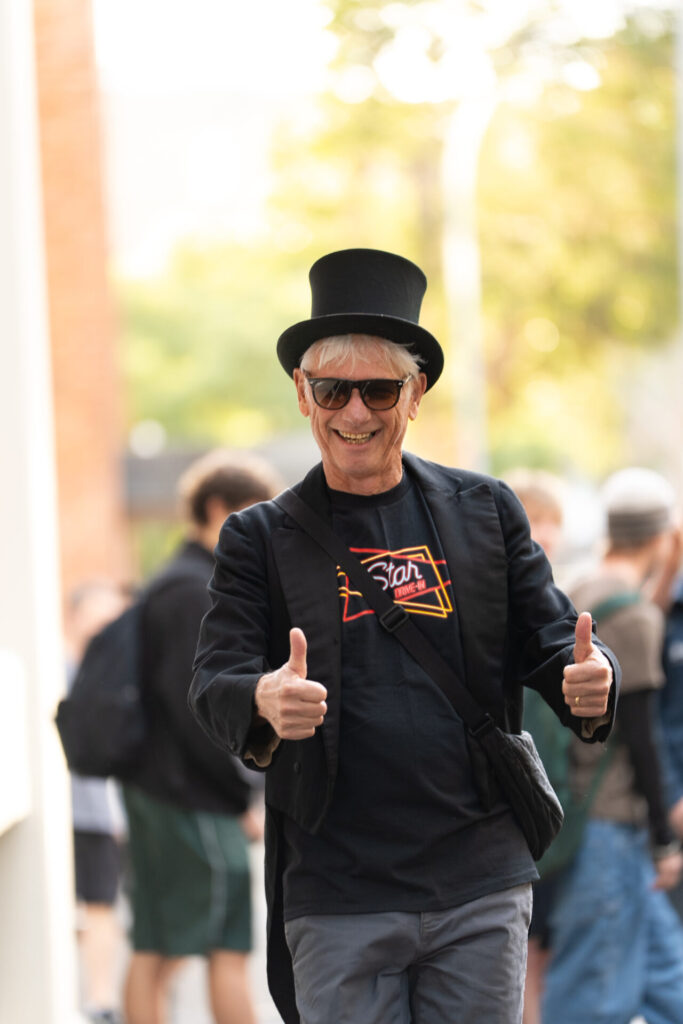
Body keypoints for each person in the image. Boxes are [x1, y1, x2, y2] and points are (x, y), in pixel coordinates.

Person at [189, 247, 619, 1024]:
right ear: (302, 393)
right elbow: (213, 682)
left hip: (478, 880)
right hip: (337, 890)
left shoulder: (484, 510)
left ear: (414, 394)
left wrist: (593, 678)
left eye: (379, 389)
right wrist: (262, 698)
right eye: (333, 389)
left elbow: (555, 642)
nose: (354, 413)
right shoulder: (258, 538)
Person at [121, 449, 281, 1024]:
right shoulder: (194, 590)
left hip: (162, 789)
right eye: (252, 515)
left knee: (159, 944)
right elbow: (199, 708)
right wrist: (242, 795)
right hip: (190, 795)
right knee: (222, 947)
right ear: (217, 509)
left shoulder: (171, 581)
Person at [541, 466, 683, 1024]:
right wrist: (665, 841)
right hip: (608, 823)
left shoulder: (580, 589)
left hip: (573, 810)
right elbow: (644, 740)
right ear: (663, 536)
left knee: (668, 978)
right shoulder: (637, 616)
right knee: (593, 995)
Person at [504, 471, 565, 1024]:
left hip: (552, 811)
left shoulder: (559, 610)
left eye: (550, 522)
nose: (542, 534)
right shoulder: (495, 606)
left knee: (539, 953)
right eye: (531, 521)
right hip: (513, 810)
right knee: (519, 956)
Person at [65, 581, 130, 1024]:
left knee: (101, 906)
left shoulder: (108, 671)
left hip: (100, 815)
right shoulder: (63, 670)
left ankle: (101, 1000)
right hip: (74, 812)